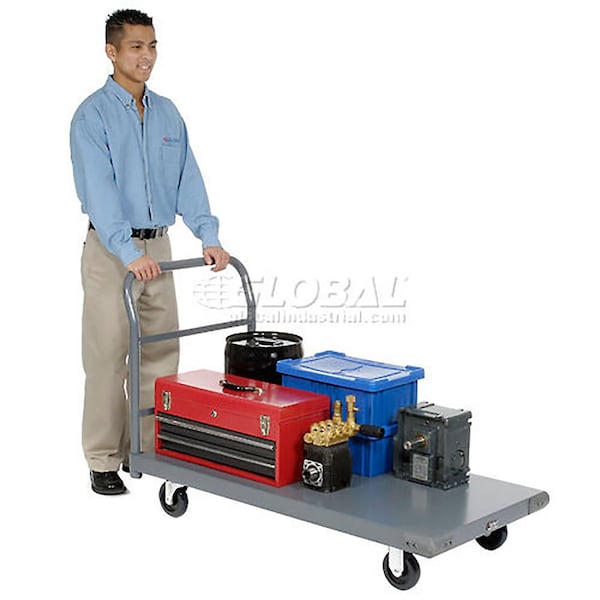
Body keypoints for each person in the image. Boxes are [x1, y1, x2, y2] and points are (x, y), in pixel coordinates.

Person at [70, 9, 230, 495]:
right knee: (107, 359)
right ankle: (103, 458)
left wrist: (208, 235)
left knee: (161, 351)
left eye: (153, 45)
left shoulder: (167, 112)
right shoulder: (91, 115)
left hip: (158, 246)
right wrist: (126, 250)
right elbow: (99, 191)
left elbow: (188, 178)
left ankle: (147, 448)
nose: (147, 56)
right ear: (111, 51)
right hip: (111, 250)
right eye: (136, 47)